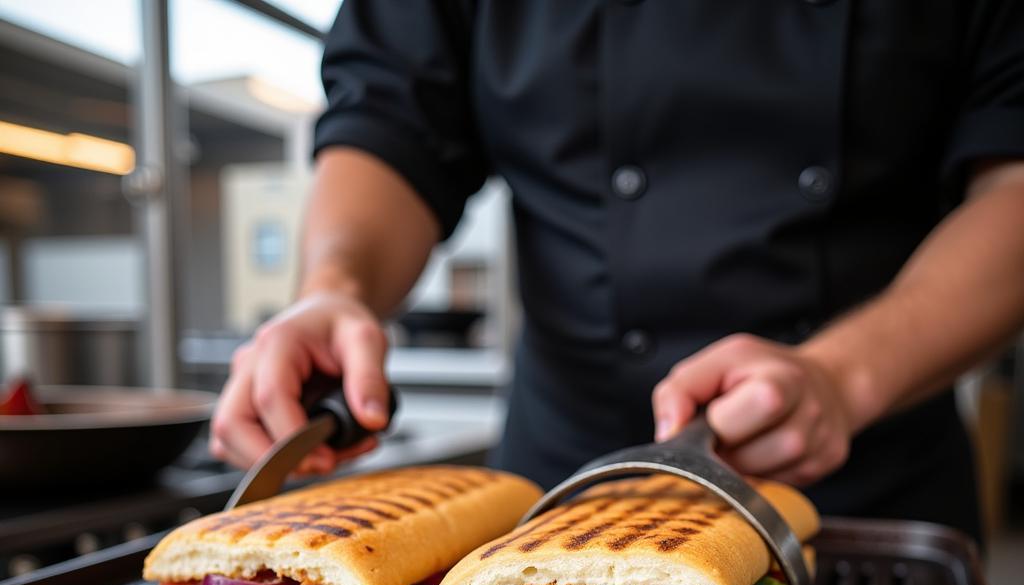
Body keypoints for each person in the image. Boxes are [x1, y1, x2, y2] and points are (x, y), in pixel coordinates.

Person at [211, 2, 1024, 544]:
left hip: (861, 482)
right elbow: (392, 120)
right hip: (560, 476)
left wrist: (842, 378)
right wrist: (334, 287)